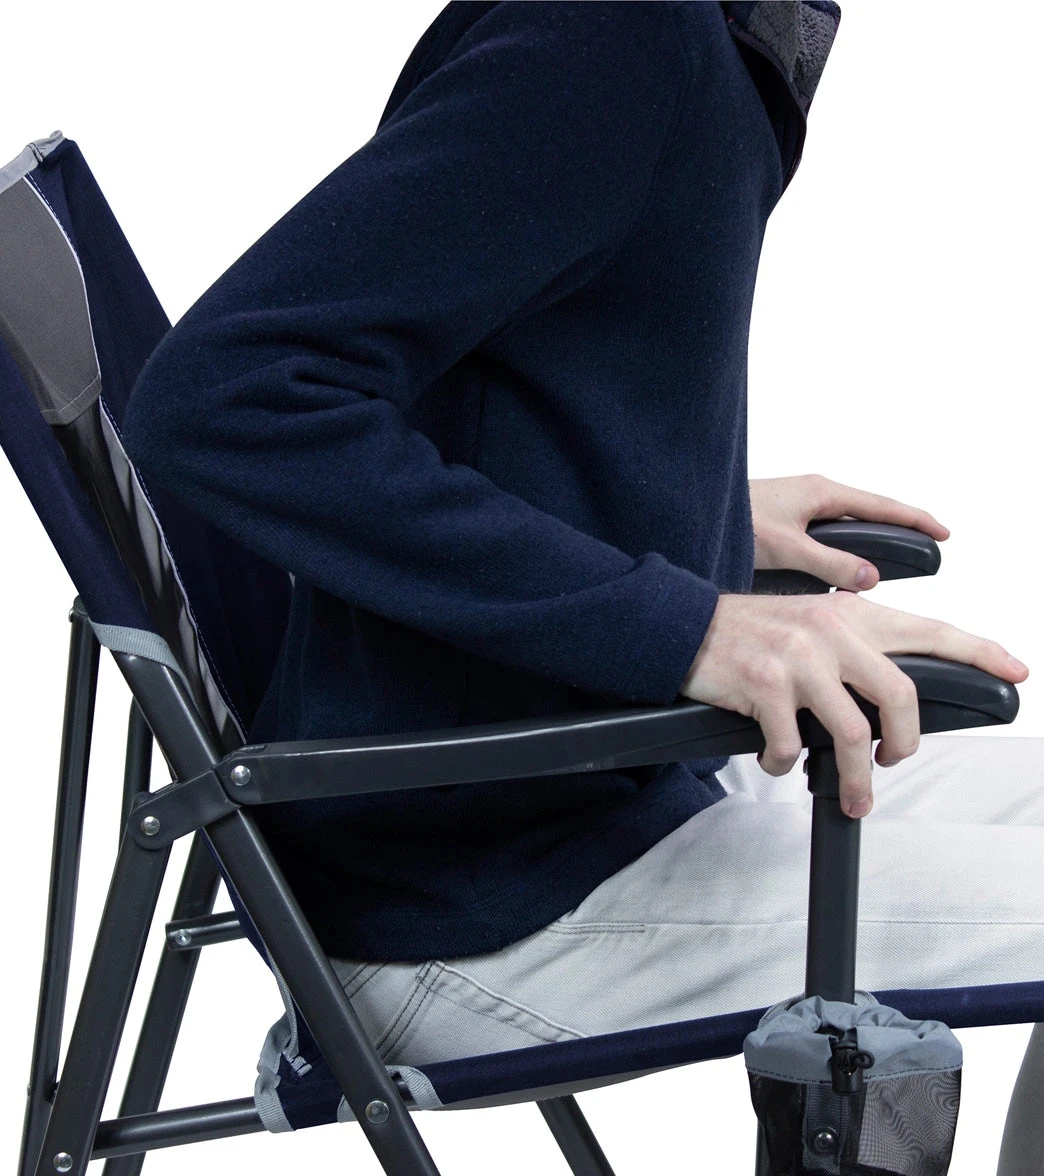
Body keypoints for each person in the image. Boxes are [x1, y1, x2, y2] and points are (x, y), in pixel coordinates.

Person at [121, 2, 1042, 1165]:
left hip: (597, 791)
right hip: (492, 895)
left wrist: (688, 509)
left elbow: (478, 370)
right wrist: (692, 627)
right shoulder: (618, 33)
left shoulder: (693, 34)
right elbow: (225, 398)